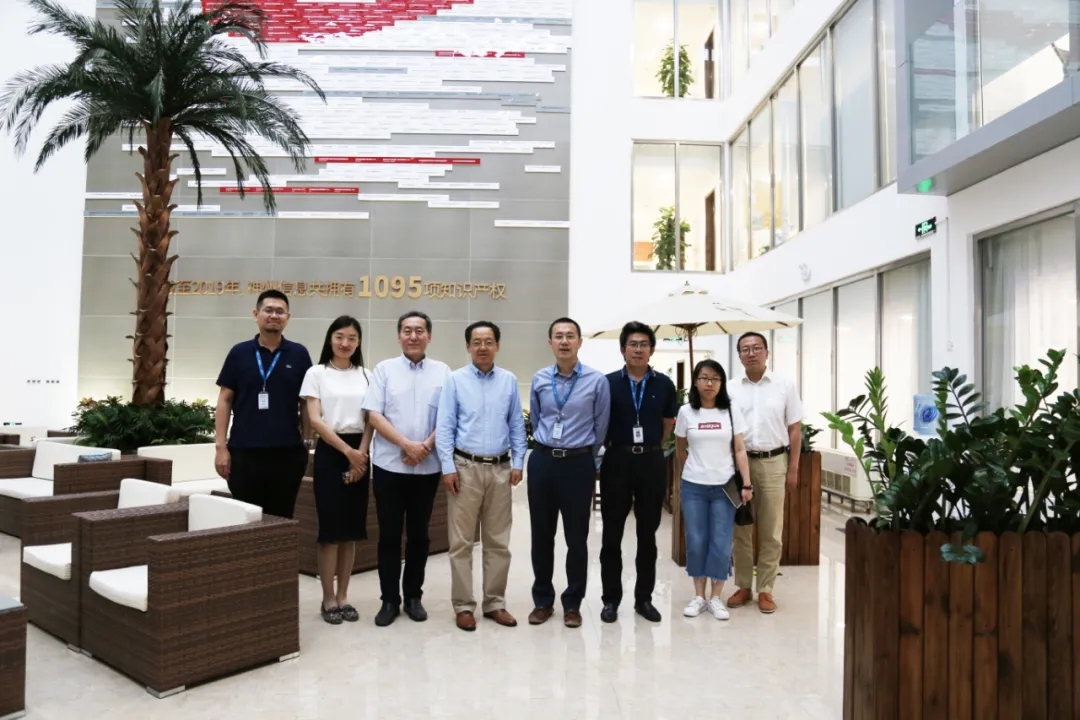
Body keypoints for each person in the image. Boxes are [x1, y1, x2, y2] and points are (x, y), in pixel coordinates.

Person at [436, 321, 527, 632]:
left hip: (501, 469)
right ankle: (463, 606)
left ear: (497, 346)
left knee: (498, 541)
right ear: (468, 346)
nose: (483, 347)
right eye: (477, 342)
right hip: (465, 469)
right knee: (461, 542)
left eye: (489, 341)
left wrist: (519, 462)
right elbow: (445, 426)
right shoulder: (455, 380)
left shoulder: (509, 380)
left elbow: (516, 425)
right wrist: (448, 467)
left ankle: (495, 603)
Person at [362, 310, 450, 627]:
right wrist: (406, 445)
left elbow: (448, 416)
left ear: (429, 336)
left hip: (427, 468)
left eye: (420, 330)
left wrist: (424, 446)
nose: (414, 336)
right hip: (390, 467)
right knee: (388, 535)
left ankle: (413, 596)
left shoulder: (443, 372)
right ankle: (389, 600)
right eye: (407, 330)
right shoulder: (384, 370)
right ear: (399, 336)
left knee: (419, 535)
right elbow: (374, 415)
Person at [526, 317, 610, 629]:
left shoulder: (596, 381)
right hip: (543, 461)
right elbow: (536, 419)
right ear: (550, 343)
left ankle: (573, 603)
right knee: (541, 535)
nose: (564, 341)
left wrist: (584, 455)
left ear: (579, 342)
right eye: (558, 336)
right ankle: (542, 601)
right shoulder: (539, 379)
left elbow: (601, 426)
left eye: (570, 336)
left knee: (577, 538)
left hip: (578, 464)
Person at [598, 321, 678, 624]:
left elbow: (668, 423)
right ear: (623, 349)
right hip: (617, 460)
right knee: (611, 534)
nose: (638, 349)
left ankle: (643, 599)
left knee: (648, 534)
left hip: (651, 462)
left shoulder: (664, 384)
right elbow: (599, 421)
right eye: (633, 344)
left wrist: (651, 447)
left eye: (644, 344)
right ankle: (610, 599)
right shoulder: (607, 383)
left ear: (652, 350)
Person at [301, 316, 375, 625]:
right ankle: (328, 598)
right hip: (331, 452)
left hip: (360, 449)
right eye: (340, 336)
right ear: (330, 339)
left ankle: (344, 596)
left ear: (358, 343)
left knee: (351, 530)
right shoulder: (316, 373)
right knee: (330, 531)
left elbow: (371, 418)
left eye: (352, 338)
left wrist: (362, 454)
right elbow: (315, 420)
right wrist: (349, 453)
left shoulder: (367, 375)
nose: (345, 343)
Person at [214, 289, 313, 519]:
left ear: (288, 317)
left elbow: (307, 403)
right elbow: (224, 400)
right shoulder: (239, 353)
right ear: (256, 314)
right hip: (244, 454)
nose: (274, 315)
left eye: (280, 311)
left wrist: (307, 442)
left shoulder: (299, 354)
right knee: (246, 519)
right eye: (268, 310)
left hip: (287, 455)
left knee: (281, 519)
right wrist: (221, 447)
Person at [727, 331, 803, 614]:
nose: (751, 353)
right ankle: (743, 586)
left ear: (767, 353)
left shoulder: (784, 385)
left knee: (771, 530)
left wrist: (793, 468)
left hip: (774, 462)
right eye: (745, 349)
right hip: (740, 464)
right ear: (739, 356)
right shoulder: (731, 388)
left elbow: (795, 429)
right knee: (741, 528)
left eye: (757, 348)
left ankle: (766, 589)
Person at [675, 359, 753, 620]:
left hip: (724, 488)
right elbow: (680, 449)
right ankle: (699, 596)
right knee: (696, 541)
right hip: (694, 487)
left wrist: (746, 483)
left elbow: (740, 449)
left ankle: (716, 597)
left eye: (715, 379)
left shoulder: (730, 410)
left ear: (721, 383)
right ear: (696, 382)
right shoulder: (686, 412)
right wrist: (694, 470)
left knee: (721, 542)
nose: (709, 383)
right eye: (704, 378)